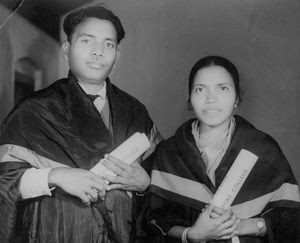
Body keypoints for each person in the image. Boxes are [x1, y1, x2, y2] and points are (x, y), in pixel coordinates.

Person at [0, 5, 161, 243]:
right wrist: (55, 176)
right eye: (87, 41)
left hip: (121, 235)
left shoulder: (135, 112)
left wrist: (144, 184)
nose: (98, 52)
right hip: (56, 232)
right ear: (66, 50)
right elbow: (4, 182)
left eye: (108, 44)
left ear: (117, 56)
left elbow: (162, 177)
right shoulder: (34, 110)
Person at [143, 56, 300, 243]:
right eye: (200, 89)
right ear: (190, 100)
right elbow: (153, 220)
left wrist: (245, 226)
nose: (211, 99)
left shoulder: (263, 149)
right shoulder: (168, 153)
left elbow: (292, 220)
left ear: (237, 99)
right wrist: (190, 235)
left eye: (222, 88)